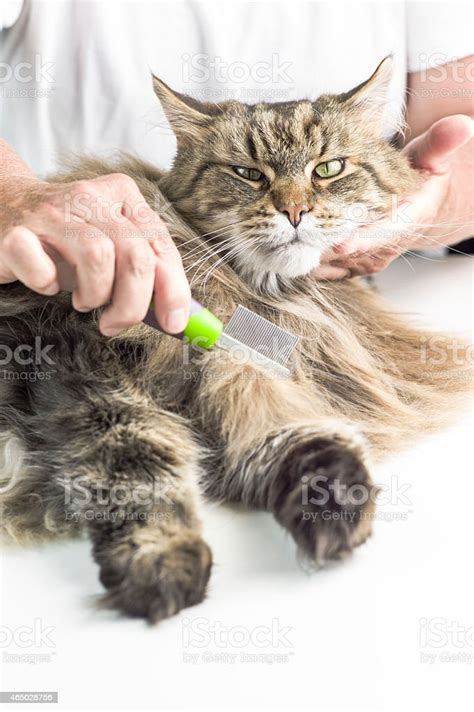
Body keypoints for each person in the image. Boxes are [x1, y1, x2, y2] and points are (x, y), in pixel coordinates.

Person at [1, 0, 472, 335]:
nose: (294, 207)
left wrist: (432, 203)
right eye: (252, 175)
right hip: (72, 253)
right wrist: (12, 193)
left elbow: (460, 143)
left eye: (326, 171)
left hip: (407, 290)